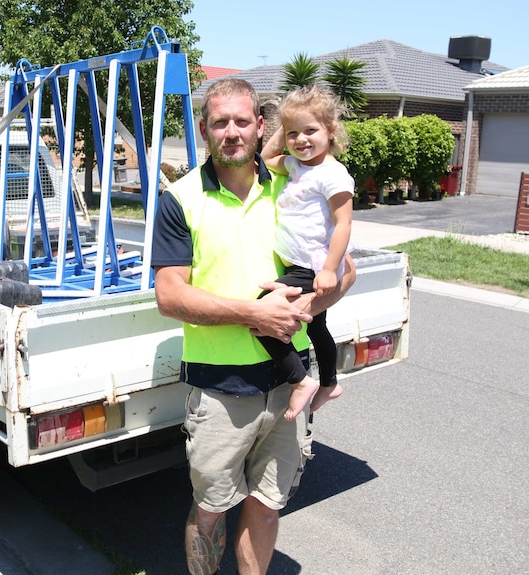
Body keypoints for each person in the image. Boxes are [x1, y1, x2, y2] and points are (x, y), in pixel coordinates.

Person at [151, 78, 355, 575]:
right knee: (211, 509)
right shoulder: (180, 199)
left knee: (267, 504)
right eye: (220, 122)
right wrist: (254, 313)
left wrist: (311, 298)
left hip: (288, 385)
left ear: (261, 127)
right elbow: (169, 295)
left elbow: (345, 272)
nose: (232, 132)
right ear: (204, 130)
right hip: (221, 389)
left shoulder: (293, 187)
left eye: (242, 121)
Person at [258, 84, 355, 421]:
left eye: (310, 131)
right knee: (317, 328)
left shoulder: (332, 174)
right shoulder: (298, 165)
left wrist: (329, 270)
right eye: (294, 133)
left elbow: (343, 224)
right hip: (303, 262)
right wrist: (285, 127)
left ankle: (301, 381)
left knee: (261, 316)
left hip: (312, 265)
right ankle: (329, 383)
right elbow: (267, 158)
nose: (301, 139)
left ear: (331, 130)